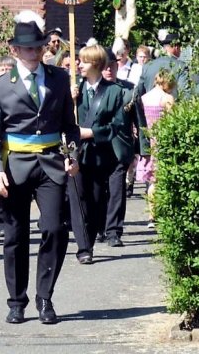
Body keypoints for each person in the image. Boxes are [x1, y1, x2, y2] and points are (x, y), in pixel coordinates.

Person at [0, 10, 79, 325]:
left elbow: (70, 126)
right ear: (14, 50)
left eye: (38, 47)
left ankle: (45, 297)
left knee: (53, 228)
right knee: (15, 235)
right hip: (15, 166)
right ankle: (16, 301)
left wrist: (72, 154)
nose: (34, 53)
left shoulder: (60, 78)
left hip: (51, 164)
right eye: (27, 48)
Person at [68, 44, 127, 260]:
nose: (79, 65)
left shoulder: (113, 92)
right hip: (74, 154)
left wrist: (91, 132)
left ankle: (89, 242)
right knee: (77, 199)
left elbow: (117, 125)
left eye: (83, 61)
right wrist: (68, 99)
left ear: (95, 64)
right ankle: (83, 248)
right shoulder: (74, 89)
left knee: (94, 202)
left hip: (99, 156)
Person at [100, 47, 146, 246]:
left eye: (113, 65)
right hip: (95, 150)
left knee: (117, 190)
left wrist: (144, 150)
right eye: (104, 66)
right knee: (97, 192)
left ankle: (114, 231)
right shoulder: (89, 88)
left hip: (120, 149)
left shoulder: (129, 90)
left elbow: (140, 122)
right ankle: (99, 227)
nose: (109, 69)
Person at [137, 69, 176, 228]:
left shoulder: (144, 98)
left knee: (151, 181)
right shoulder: (167, 98)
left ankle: (151, 212)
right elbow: (173, 121)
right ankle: (155, 214)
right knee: (159, 181)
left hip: (147, 141)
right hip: (162, 141)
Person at [137, 28, 188, 99]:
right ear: (176, 47)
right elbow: (184, 93)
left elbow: (139, 91)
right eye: (180, 47)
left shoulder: (147, 66)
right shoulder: (181, 66)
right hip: (172, 108)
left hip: (149, 108)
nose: (181, 50)